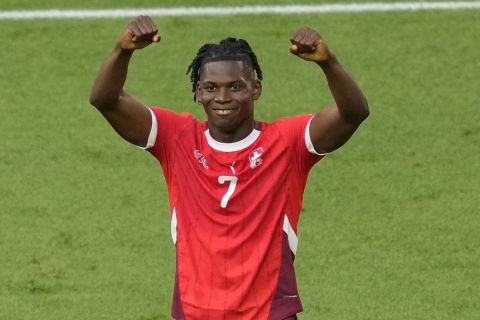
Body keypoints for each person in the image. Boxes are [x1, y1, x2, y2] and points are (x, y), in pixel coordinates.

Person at [90, 15, 369, 320]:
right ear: (198, 92)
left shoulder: (288, 143)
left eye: (235, 86)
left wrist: (328, 63)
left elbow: (353, 113)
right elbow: (106, 100)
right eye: (211, 87)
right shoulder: (176, 138)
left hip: (269, 312)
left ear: (256, 89)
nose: (222, 97)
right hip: (195, 311)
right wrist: (122, 50)